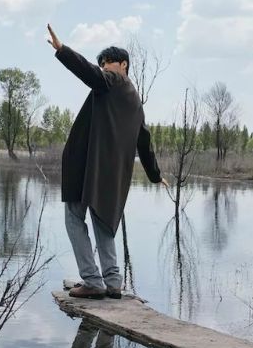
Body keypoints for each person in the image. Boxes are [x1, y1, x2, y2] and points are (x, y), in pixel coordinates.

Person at [47, 24, 168, 299]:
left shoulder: (112, 82)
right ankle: (113, 282)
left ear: (123, 65)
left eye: (107, 62)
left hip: (90, 168)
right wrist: (155, 174)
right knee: (102, 221)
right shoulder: (135, 100)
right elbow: (144, 142)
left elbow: (89, 73)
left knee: (73, 217)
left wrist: (62, 50)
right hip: (112, 174)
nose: (103, 66)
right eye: (101, 62)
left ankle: (92, 281)